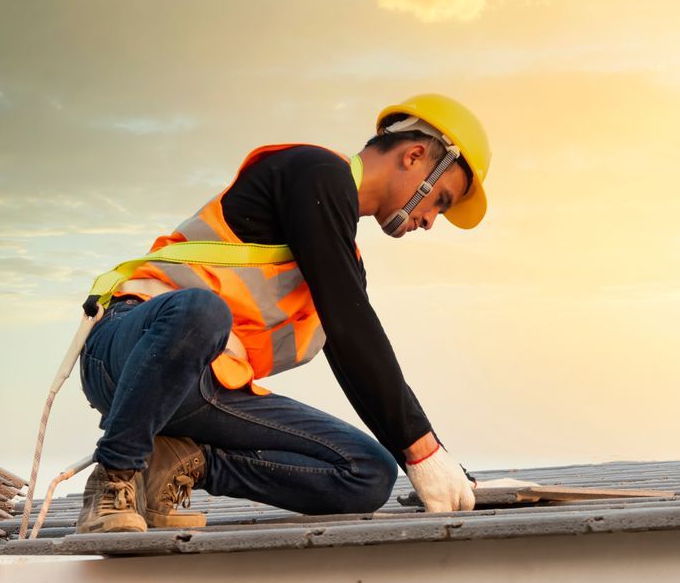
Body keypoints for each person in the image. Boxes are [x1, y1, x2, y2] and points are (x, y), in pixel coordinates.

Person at [71, 95, 489, 533]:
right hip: (128, 351)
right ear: (415, 155)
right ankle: (114, 478)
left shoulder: (340, 253)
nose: (431, 220)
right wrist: (422, 450)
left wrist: (433, 461)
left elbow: (357, 360)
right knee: (201, 312)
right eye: (440, 200)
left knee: (368, 473)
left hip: (206, 389)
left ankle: (178, 462)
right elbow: (352, 325)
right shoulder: (313, 172)